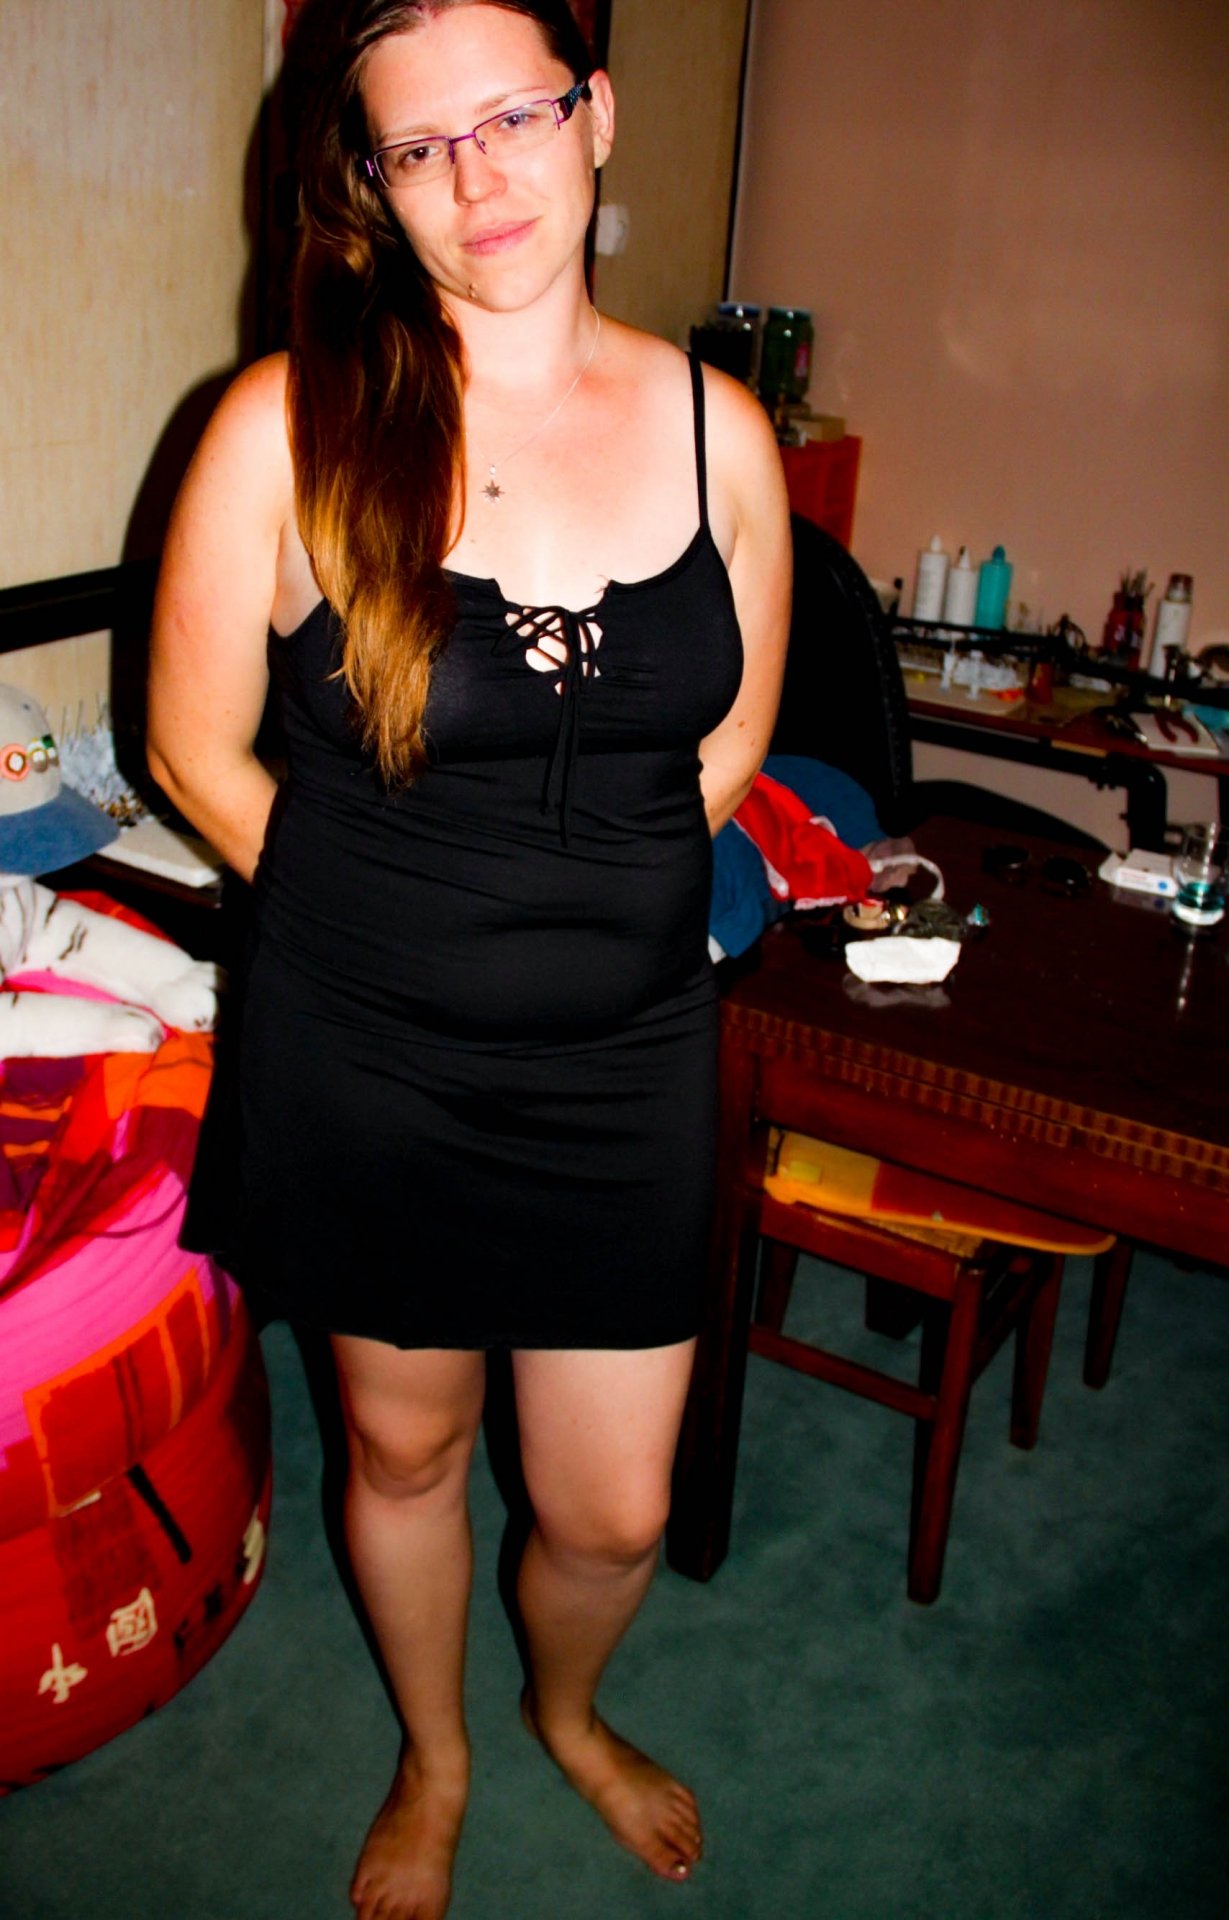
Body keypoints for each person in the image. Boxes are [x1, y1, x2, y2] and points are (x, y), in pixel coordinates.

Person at [147, 3, 790, 1915]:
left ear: (597, 116)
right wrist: (397, 919)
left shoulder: (718, 426)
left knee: (615, 1508)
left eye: (513, 116)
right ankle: (435, 1754)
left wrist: (590, 894)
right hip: (370, 1056)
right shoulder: (284, 427)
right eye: (417, 146)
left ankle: (564, 1709)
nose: (476, 176)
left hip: (626, 1054)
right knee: (408, 1453)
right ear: (370, 186)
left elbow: (727, 732)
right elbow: (192, 751)